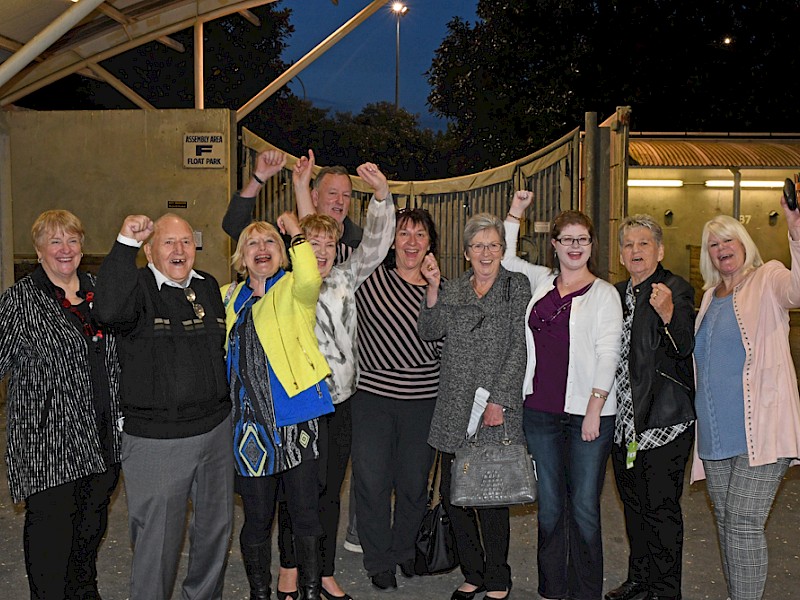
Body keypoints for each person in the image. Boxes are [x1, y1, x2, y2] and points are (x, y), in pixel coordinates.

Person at [222, 150, 395, 600]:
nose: (318, 252)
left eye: (326, 246)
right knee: (288, 495)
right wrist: (298, 189)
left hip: (332, 400)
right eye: (309, 244)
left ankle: (321, 572)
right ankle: (288, 573)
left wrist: (380, 196)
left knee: (322, 493)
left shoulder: (342, 278)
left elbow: (374, 245)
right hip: (283, 406)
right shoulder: (281, 282)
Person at [95, 213, 233, 600]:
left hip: (215, 432)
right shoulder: (135, 288)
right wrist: (124, 242)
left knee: (214, 533)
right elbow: (105, 311)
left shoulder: (206, 286)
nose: (179, 250)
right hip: (158, 442)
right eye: (169, 242)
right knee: (157, 545)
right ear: (150, 250)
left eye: (186, 241)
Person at [501, 191, 622, 600]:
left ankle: (586, 591)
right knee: (550, 507)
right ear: (554, 244)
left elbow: (609, 354)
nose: (574, 246)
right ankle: (553, 587)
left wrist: (594, 409)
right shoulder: (541, 281)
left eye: (582, 239)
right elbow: (505, 260)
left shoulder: (605, 294)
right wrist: (515, 213)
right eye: (566, 239)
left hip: (590, 414)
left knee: (585, 508)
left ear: (591, 245)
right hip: (540, 412)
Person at [0, 210, 121, 600]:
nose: (64, 249)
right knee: (51, 540)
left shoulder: (100, 291)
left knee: (89, 531)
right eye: (55, 241)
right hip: (47, 444)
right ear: (38, 251)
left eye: (71, 240)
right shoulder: (19, 302)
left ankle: (84, 593)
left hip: (102, 439)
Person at [418, 213, 531, 600]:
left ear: (503, 250)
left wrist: (499, 399)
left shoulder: (516, 286)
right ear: (466, 253)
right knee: (456, 496)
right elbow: (429, 331)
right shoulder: (453, 289)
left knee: (492, 498)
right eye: (478, 246)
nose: (486, 252)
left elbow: (519, 345)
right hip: (455, 405)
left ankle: (498, 579)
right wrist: (433, 287)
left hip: (494, 406)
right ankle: (474, 573)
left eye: (493, 245)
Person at [223, 212, 335, 600]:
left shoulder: (293, 288)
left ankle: (307, 590)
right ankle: (260, 593)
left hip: (295, 420)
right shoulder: (228, 298)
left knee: (304, 515)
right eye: (252, 244)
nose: (262, 249)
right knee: (256, 519)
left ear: (283, 252)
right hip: (246, 429)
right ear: (241, 257)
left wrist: (297, 236)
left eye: (270, 242)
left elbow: (310, 276)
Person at [692, 202, 800, 600]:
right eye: (713, 244)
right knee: (726, 521)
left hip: (762, 431)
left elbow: (798, 289)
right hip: (717, 435)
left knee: (742, 520)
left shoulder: (768, 277)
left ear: (744, 243)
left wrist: (796, 233)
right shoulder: (708, 297)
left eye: (728, 239)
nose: (721, 248)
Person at [351, 206, 442, 591]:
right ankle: (378, 560)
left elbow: (443, 345)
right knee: (371, 483)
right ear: (391, 242)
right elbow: (327, 249)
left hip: (423, 402)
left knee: (413, 484)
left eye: (420, 235)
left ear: (430, 245)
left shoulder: (443, 288)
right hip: (372, 398)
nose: (411, 243)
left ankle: (404, 551)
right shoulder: (369, 280)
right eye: (404, 234)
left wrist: (435, 292)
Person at [606, 215, 696, 600]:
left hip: (663, 421)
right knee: (633, 508)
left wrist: (669, 315)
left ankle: (665, 590)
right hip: (624, 426)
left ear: (659, 251)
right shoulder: (614, 293)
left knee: (662, 511)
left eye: (644, 244)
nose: (635, 251)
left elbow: (685, 348)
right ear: (622, 254)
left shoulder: (676, 289)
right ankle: (640, 580)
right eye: (628, 245)